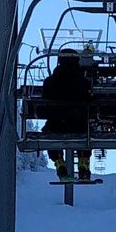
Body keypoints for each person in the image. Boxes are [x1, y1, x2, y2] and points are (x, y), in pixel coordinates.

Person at [38, 50, 93, 182]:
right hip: (78, 125)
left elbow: (44, 101)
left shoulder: (50, 82)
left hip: (56, 125)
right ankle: (83, 162)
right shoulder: (83, 82)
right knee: (87, 131)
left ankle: (59, 162)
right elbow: (89, 101)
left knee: (48, 132)